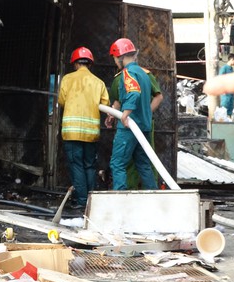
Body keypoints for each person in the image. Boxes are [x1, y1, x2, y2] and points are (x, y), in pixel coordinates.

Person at [57, 46, 109, 208]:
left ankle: (81, 201)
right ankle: (90, 201)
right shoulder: (99, 83)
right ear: (90, 64)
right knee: (89, 165)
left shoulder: (67, 79)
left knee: (76, 165)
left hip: (71, 132)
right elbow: (105, 104)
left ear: (75, 64)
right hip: (91, 133)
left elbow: (61, 101)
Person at [107, 38, 158, 191]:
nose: (115, 62)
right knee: (143, 164)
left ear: (120, 57)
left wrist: (125, 113)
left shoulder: (128, 73)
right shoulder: (143, 74)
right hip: (144, 127)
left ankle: (121, 201)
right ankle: (154, 198)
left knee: (117, 163)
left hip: (129, 127)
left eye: (115, 59)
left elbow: (133, 93)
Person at [218, 53, 234, 117]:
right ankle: (223, 120)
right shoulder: (224, 68)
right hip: (225, 92)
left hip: (231, 91)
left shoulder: (231, 69)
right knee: (224, 106)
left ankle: (228, 120)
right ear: (232, 59)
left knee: (231, 107)